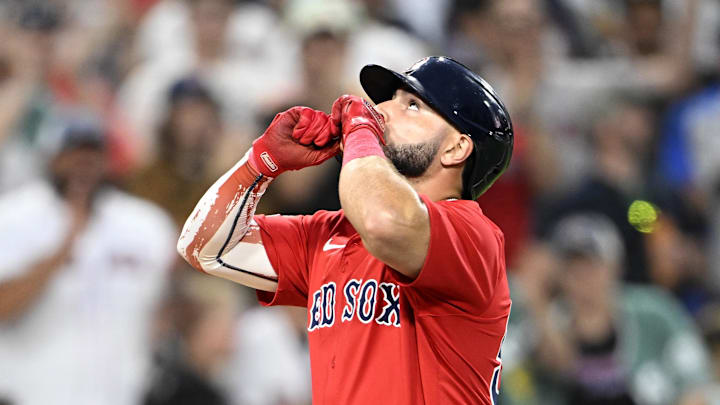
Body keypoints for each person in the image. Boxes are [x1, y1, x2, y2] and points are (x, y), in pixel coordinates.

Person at [178, 56, 514, 404]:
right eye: (390, 99)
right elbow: (203, 246)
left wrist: (360, 131)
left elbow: (384, 221)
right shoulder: (330, 233)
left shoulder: (472, 235)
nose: (381, 110)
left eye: (412, 106)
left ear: (456, 148)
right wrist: (261, 163)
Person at [0, 117, 177, 405]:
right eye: (73, 154)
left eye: (92, 156)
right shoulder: (13, 216)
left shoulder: (144, 223)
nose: (83, 165)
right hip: (31, 393)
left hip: (120, 394)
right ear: (52, 157)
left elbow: (168, 307)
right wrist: (57, 257)